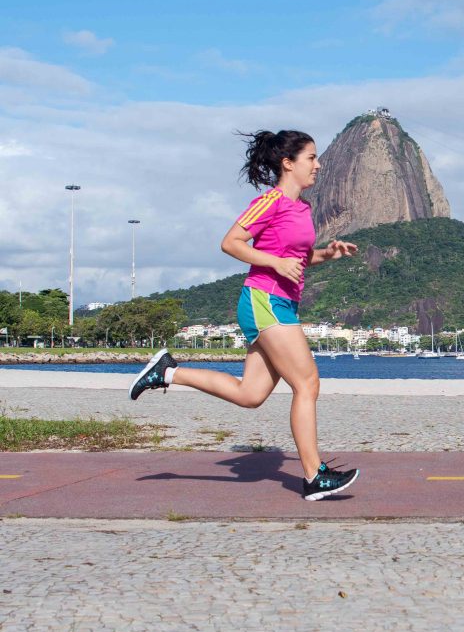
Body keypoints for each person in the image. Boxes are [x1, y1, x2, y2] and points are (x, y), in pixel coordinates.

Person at [129, 130, 360, 501]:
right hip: (263, 300)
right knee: (307, 384)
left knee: (250, 395)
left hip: (283, 302)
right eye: (311, 158)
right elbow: (230, 242)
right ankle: (315, 475)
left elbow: (297, 259)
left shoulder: (303, 208)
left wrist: (329, 254)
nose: (318, 165)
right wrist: (274, 262)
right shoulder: (270, 201)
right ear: (288, 163)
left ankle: (167, 372)